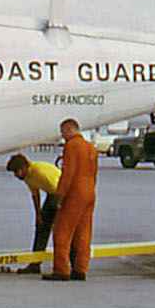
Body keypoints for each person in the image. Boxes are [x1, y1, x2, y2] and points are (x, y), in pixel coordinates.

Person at [47, 118, 98, 282]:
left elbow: (68, 173)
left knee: (62, 231)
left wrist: (59, 195)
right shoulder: (91, 148)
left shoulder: (72, 146)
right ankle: (81, 269)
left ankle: (61, 269)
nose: (62, 137)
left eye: (63, 132)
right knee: (84, 233)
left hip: (75, 192)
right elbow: (94, 173)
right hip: (90, 191)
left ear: (69, 130)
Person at [7, 152, 59, 273]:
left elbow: (59, 189)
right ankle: (35, 263)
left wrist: (60, 212)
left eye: (17, 171)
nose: (16, 175)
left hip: (61, 194)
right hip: (52, 194)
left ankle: (67, 263)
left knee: (61, 230)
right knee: (41, 228)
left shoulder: (40, 172)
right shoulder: (27, 176)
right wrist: (38, 215)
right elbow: (35, 195)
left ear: (24, 167)